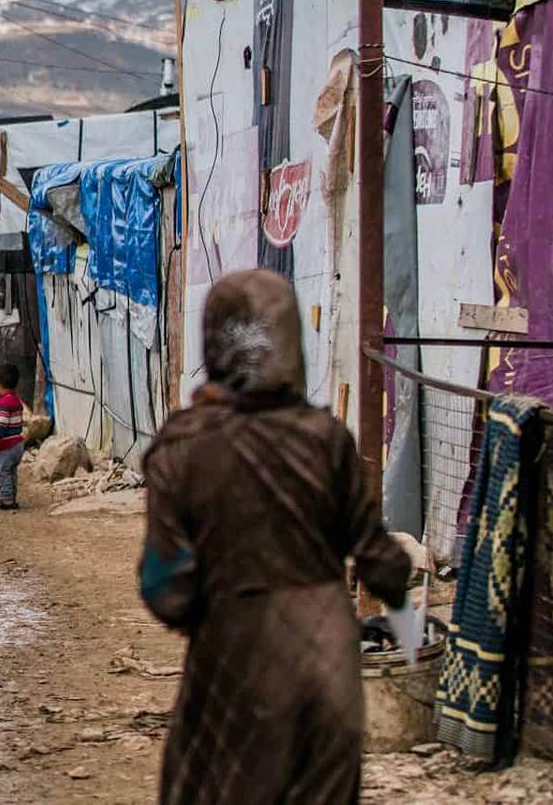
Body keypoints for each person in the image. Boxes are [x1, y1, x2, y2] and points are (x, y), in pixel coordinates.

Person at [140, 269, 412, 805]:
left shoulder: (182, 446)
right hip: (330, 663)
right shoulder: (328, 440)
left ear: (215, 345)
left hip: (234, 661)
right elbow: (383, 563)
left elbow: (166, 591)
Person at [0, 364, 26, 509]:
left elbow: (1, 426)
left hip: (6, 446)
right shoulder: (16, 401)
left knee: (2, 472)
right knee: (11, 472)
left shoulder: (3, 404)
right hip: (17, 444)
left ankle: (7, 500)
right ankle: (11, 498)